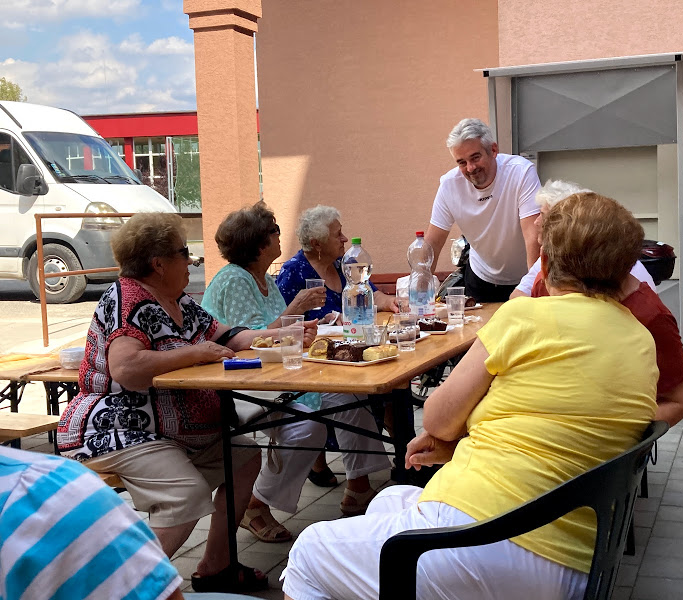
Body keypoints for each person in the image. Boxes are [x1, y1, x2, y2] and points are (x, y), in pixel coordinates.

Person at [280, 193, 659, 600]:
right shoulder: (639, 339)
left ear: (547, 264)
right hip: (577, 554)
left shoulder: (525, 315)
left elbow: (436, 419)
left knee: (307, 553)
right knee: (389, 499)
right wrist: (455, 446)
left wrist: (448, 436)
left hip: (495, 536)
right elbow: (564, 418)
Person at [56, 213, 314, 594]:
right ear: (158, 264)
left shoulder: (177, 299)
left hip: (174, 430)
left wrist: (284, 335)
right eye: (183, 253)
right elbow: (126, 368)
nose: (191, 260)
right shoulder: (128, 300)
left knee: (243, 457)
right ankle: (125, 588)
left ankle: (216, 567)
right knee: (185, 495)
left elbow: (228, 337)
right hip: (119, 427)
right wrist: (193, 354)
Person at [203, 202, 391, 535]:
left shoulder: (262, 278)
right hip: (241, 380)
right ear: (258, 243)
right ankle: (255, 504)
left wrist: (305, 329)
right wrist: (296, 309)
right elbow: (247, 341)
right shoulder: (235, 280)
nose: (281, 236)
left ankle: (359, 487)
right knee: (307, 425)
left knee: (347, 394)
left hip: (276, 372)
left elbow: (279, 332)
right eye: (274, 231)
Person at [511, 181, 683, 426]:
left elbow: (680, 400)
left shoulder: (648, 315)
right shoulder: (544, 282)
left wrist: (608, 429)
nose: (535, 223)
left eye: (545, 218)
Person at [0, 445, 184, 600]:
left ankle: (149, 570)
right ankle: (142, 573)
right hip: (108, 437)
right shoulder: (51, 495)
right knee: (186, 490)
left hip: (173, 439)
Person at [424, 118, 542, 302]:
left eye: (475, 158)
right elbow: (432, 244)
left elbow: (533, 237)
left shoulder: (520, 172)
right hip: (480, 279)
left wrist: (532, 290)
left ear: (493, 150)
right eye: (462, 162)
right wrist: (419, 293)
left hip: (523, 280)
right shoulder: (449, 185)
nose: (470, 168)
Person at [511, 179, 656, 298]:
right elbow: (517, 296)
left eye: (543, 216)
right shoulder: (554, 253)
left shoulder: (613, 267)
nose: (536, 222)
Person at [276, 204, 398, 322]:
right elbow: (283, 321)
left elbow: (371, 295)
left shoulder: (344, 263)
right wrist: (323, 322)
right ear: (317, 244)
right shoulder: (293, 272)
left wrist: (390, 302)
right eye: (338, 234)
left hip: (354, 332)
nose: (345, 239)